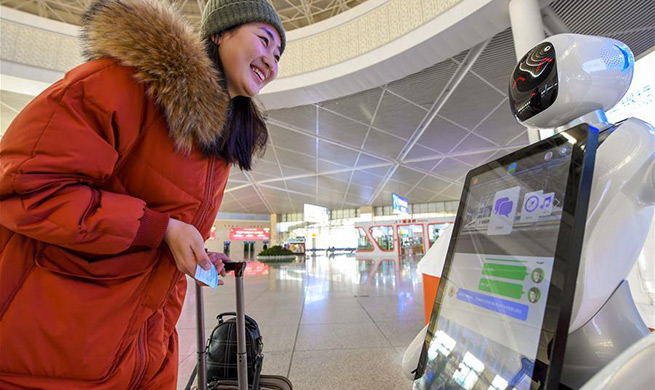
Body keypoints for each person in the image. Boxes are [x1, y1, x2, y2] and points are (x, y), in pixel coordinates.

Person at [0, 0, 284, 388]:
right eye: (264, 40)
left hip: (143, 345)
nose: (271, 60)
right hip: (52, 346)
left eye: (278, 54)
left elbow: (161, 226)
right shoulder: (125, 84)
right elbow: (25, 187)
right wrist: (160, 228)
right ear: (219, 33)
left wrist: (187, 245)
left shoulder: (215, 139)